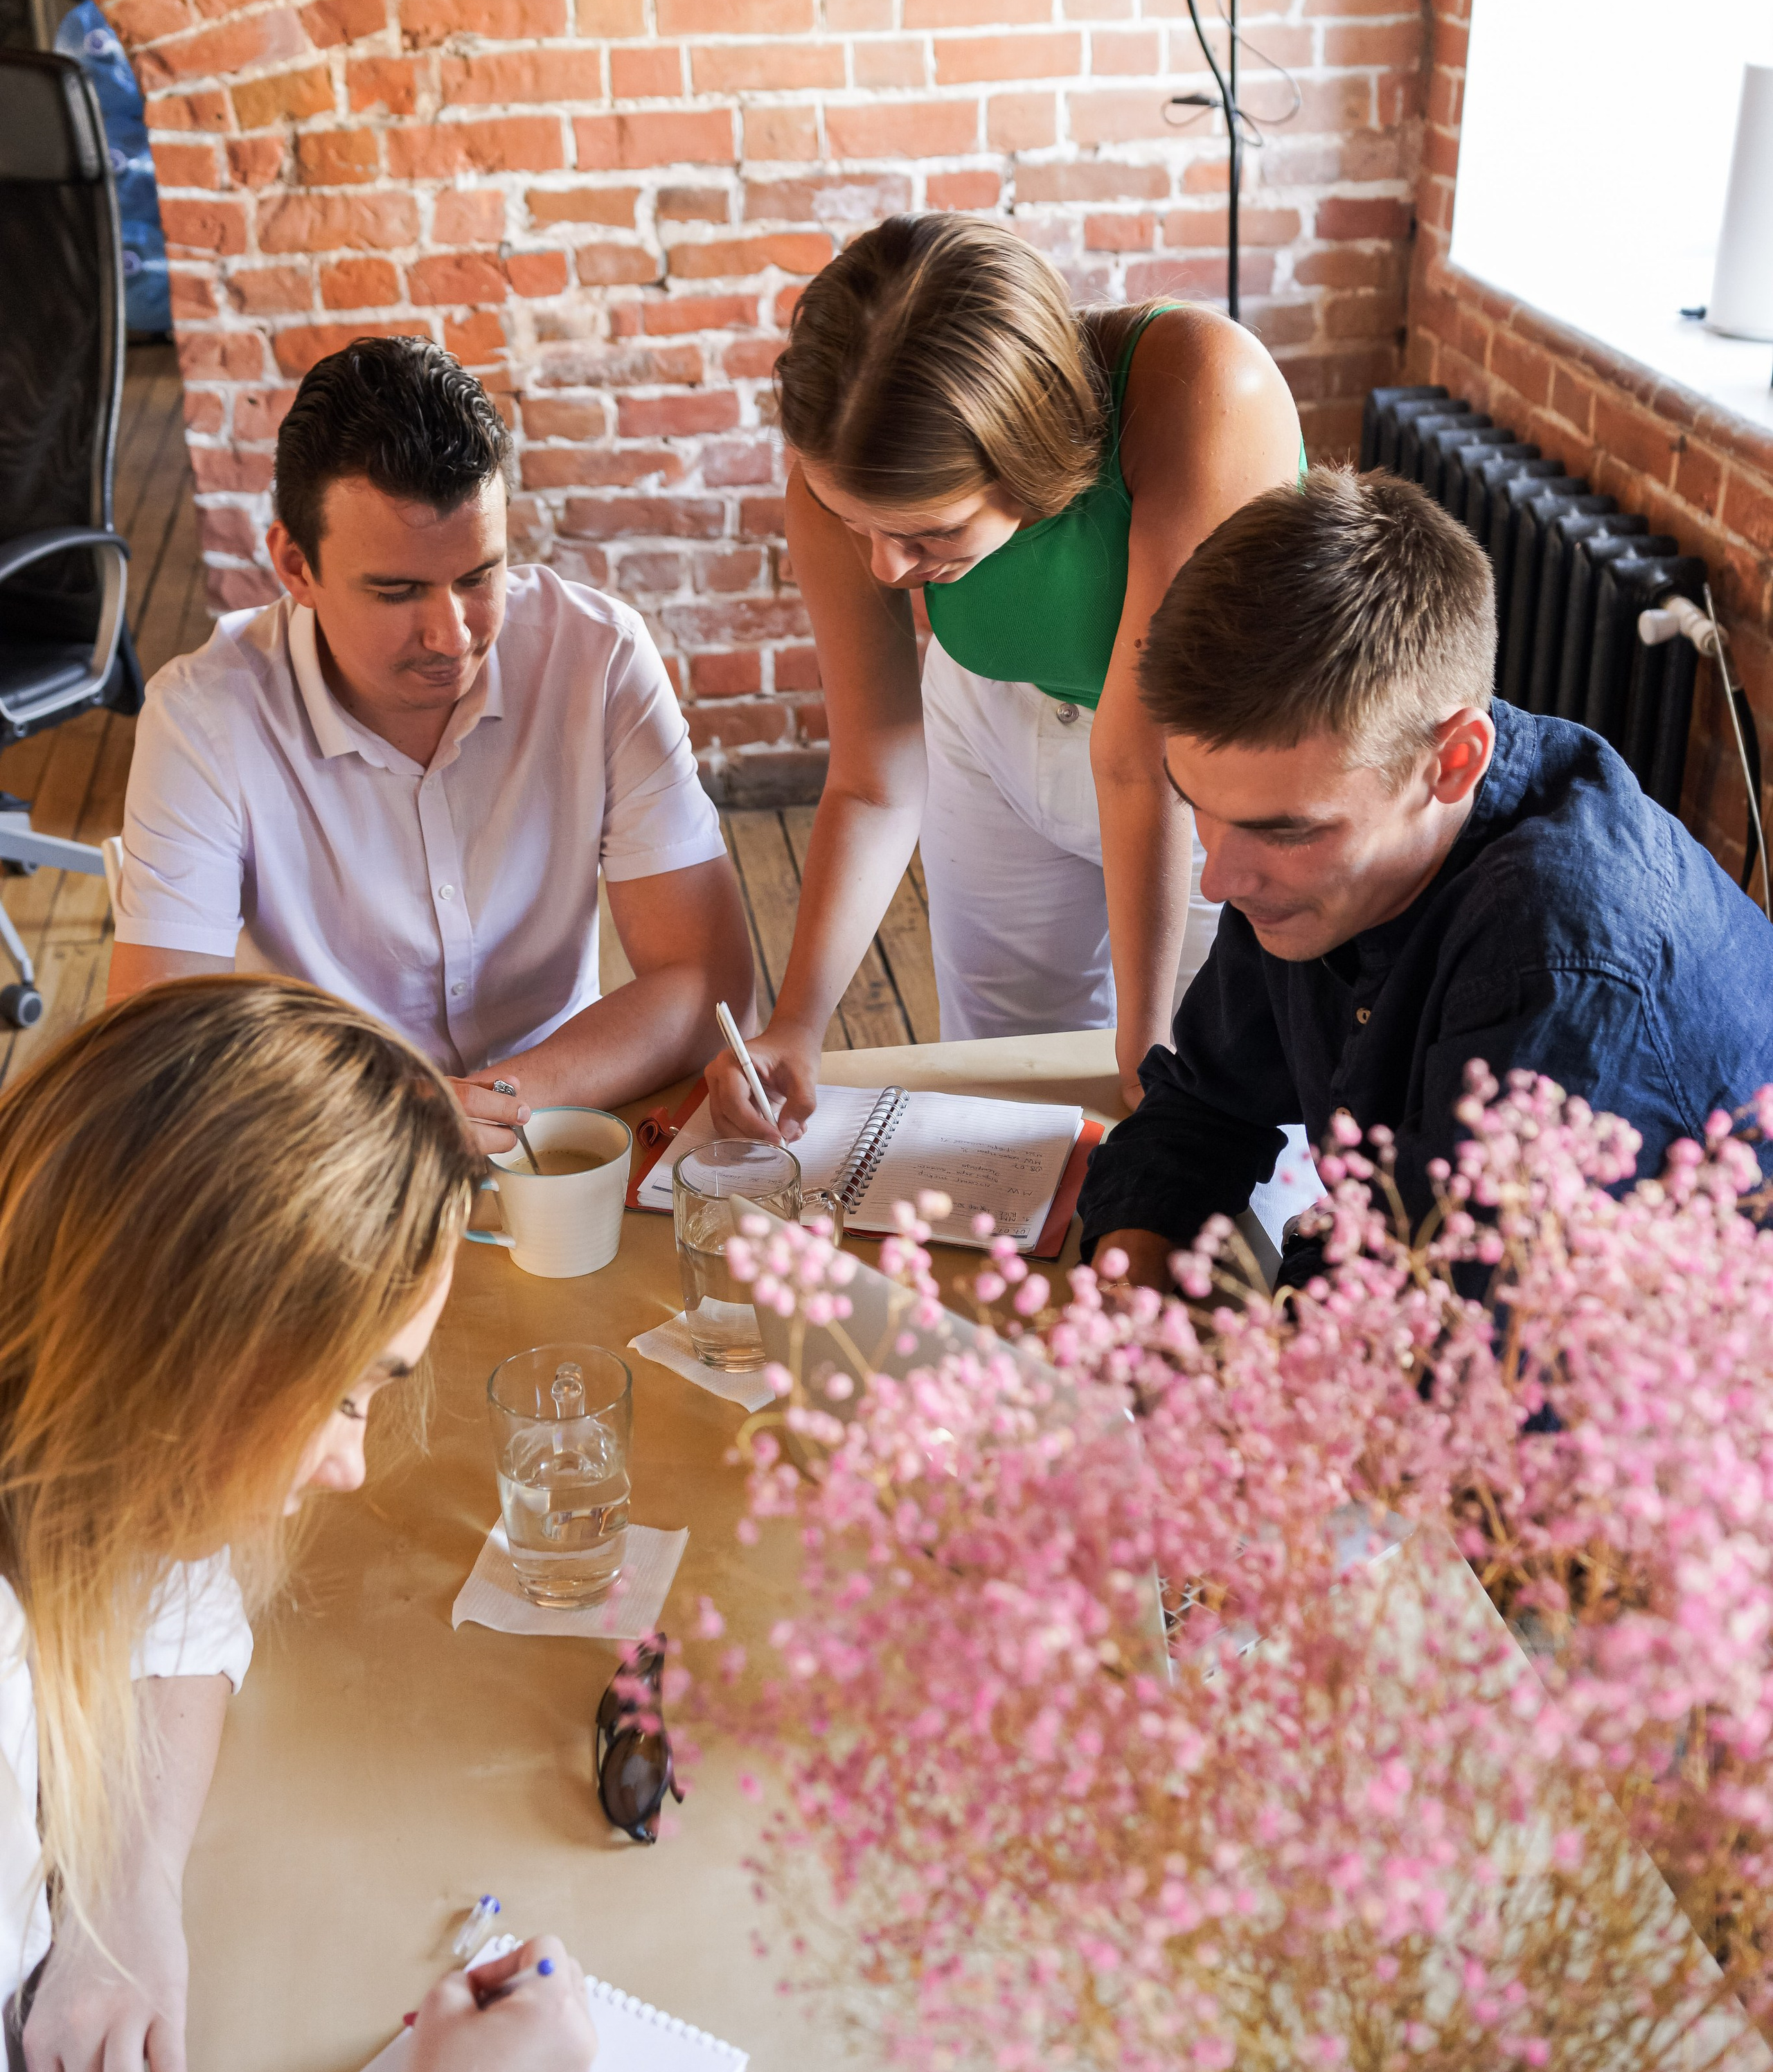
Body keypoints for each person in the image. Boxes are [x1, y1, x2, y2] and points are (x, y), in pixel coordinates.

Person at [0, 976, 595, 2072]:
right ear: (176, 1357)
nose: (348, 1462)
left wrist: (124, 1895)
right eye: (338, 1393)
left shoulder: (60, 1417)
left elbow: (169, 1594)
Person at [1079, 467, 1773, 1288]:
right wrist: (1124, 1291)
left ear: (1452, 761)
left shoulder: (1559, 958)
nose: (1218, 880)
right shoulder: (1297, 847)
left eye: (1285, 829)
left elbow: (1446, 1332)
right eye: (1198, 802)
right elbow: (1204, 1105)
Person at [704, 212, 1303, 1138]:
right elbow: (871, 780)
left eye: (929, 533)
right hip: (991, 727)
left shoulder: (1205, 388)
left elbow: (1142, 763)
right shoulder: (844, 471)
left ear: (1027, 460)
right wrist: (797, 1026)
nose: (885, 570)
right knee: (1002, 1079)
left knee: (1211, 1087)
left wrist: (1143, 1051)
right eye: (857, 522)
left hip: (1215, 756)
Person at [110, 338, 754, 1154]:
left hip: (566, 1112)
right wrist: (406, 1117)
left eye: (479, 576)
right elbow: (158, 1057)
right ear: (294, 565)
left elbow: (709, 986)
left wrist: (484, 1107)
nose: (450, 636)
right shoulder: (203, 716)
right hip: (322, 1145)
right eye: (397, 590)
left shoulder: (598, 657)